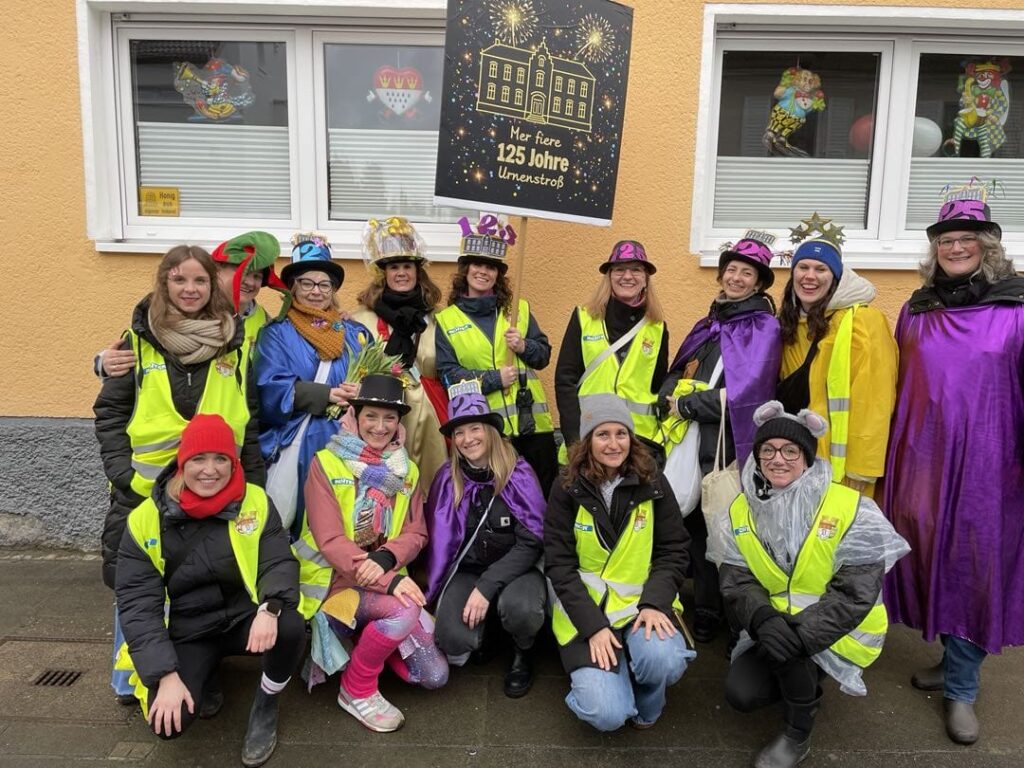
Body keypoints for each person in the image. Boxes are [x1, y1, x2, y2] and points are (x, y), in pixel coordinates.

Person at [881, 190, 1024, 746]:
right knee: (927, 557)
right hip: (922, 458)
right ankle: (950, 658)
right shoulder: (917, 310)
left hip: (991, 463)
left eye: (967, 239)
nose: (956, 247)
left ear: (987, 246)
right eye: (946, 240)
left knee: (973, 565)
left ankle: (963, 687)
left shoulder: (1016, 309)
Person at [94, 244, 265, 704]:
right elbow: (110, 413)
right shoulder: (136, 342)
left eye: (200, 280)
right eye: (179, 279)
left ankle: (198, 672)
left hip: (215, 487)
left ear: (213, 285)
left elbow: (247, 423)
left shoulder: (233, 344)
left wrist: (254, 485)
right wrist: (123, 474)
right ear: (163, 282)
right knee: (138, 582)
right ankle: (131, 677)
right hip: (145, 491)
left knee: (201, 582)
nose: (190, 289)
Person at [707, 401, 908, 768]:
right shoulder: (740, 510)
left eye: (790, 451)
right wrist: (763, 619)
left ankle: (797, 734)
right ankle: (798, 675)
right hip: (774, 623)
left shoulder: (850, 508)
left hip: (839, 630)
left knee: (791, 654)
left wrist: (799, 636)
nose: (777, 459)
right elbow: (736, 580)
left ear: (807, 457)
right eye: (768, 450)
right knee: (742, 692)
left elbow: (855, 592)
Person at [114, 415, 303, 768]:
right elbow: (138, 605)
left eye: (221, 459)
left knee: (291, 625)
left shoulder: (255, 501)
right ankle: (206, 672)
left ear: (233, 463)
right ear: (182, 463)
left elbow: (277, 560)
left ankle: (266, 702)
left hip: (244, 618)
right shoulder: (144, 520)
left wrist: (271, 607)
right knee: (168, 725)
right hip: (189, 630)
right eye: (199, 459)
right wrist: (164, 675)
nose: (210, 470)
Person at [294, 374, 448, 732]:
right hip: (335, 583)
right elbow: (331, 540)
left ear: (399, 423)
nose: (380, 427)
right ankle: (356, 688)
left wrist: (386, 559)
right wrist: (389, 581)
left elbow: (416, 532)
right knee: (404, 610)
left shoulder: (406, 470)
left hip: (382, 578)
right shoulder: (326, 463)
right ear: (356, 416)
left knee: (433, 675)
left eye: (389, 418)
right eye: (371, 416)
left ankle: (365, 645)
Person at [658, 232, 781, 644]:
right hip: (689, 442)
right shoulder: (709, 324)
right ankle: (701, 605)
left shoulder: (763, 328)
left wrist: (689, 405)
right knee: (692, 524)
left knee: (725, 529)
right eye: (731, 270)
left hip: (727, 446)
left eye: (747, 273)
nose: (736, 278)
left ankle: (731, 616)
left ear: (759, 283)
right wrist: (669, 392)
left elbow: (750, 394)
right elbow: (680, 368)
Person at [546, 395, 694, 732]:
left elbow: (674, 549)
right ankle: (613, 680)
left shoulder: (653, 481)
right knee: (606, 715)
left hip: (641, 604)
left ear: (631, 437)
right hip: (587, 612)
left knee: (664, 661)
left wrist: (655, 603)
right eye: (603, 434)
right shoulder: (566, 487)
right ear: (587, 440)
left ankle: (647, 702)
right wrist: (594, 627)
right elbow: (559, 565)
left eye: (621, 433)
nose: (614, 444)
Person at [423, 382, 546, 697]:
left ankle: (522, 651)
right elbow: (440, 540)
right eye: (459, 433)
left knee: (521, 610)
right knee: (450, 638)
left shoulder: (518, 474)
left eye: (475, 428)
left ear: (490, 431)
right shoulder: (447, 479)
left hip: (517, 570)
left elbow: (532, 542)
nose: (468, 439)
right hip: (470, 570)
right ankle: (486, 631)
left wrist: (487, 586)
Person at [255, 233, 371, 536]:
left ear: (333, 290)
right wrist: (325, 394)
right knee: (293, 519)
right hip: (298, 442)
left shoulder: (356, 333)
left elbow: (375, 378)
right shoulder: (276, 333)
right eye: (307, 283)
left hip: (347, 442)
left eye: (324, 284)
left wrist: (364, 392)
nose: (316, 291)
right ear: (293, 287)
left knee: (342, 521)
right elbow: (268, 387)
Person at [776, 217, 898, 495]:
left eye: (821, 269)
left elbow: (875, 400)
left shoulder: (863, 321)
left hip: (840, 468)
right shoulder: (789, 323)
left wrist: (863, 469)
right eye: (803, 267)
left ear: (836, 278)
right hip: (794, 457)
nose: (810, 276)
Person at [435, 220, 558, 495]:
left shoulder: (518, 310)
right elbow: (448, 376)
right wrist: (493, 379)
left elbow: (543, 356)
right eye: (477, 264)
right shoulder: (447, 320)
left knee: (542, 498)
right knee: (500, 501)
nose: (483, 271)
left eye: (491, 267)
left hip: (533, 428)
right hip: (486, 430)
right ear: (466, 270)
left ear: (498, 275)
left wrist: (524, 346)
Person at [95, 231, 285, 379]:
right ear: (216, 272)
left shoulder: (265, 322)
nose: (250, 282)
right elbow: (146, 347)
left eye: (257, 276)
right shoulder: (191, 309)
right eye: (243, 272)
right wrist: (103, 363)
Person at [554, 240, 669, 466]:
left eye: (636, 270)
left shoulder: (657, 328)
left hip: (639, 445)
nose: (628, 276)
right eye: (619, 269)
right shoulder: (584, 318)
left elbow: (658, 386)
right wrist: (575, 442)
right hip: (589, 440)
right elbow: (565, 381)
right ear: (609, 276)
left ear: (645, 278)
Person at [352, 217, 449, 483]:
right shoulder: (361, 320)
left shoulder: (438, 319)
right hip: (381, 420)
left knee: (432, 485)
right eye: (394, 267)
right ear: (383, 273)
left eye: (408, 266)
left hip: (431, 418)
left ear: (418, 271)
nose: (401, 273)